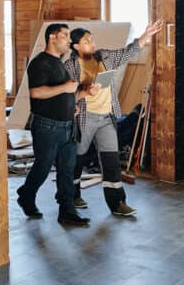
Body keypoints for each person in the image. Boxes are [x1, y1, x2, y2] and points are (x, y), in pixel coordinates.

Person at [65, 20, 164, 216]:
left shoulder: (103, 56)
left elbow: (127, 52)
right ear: (76, 46)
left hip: (106, 117)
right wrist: (85, 91)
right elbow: (65, 94)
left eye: (91, 40)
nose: (91, 44)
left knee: (110, 159)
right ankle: (72, 195)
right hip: (84, 118)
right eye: (86, 41)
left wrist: (146, 35)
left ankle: (118, 203)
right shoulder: (70, 66)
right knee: (77, 158)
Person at [16, 23, 90, 226]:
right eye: (65, 36)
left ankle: (66, 211)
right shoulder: (40, 63)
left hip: (67, 126)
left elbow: (63, 95)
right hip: (47, 127)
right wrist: (66, 88)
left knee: (67, 170)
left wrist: (75, 102)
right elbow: (36, 93)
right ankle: (26, 196)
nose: (69, 40)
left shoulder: (60, 63)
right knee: (42, 167)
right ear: (52, 38)